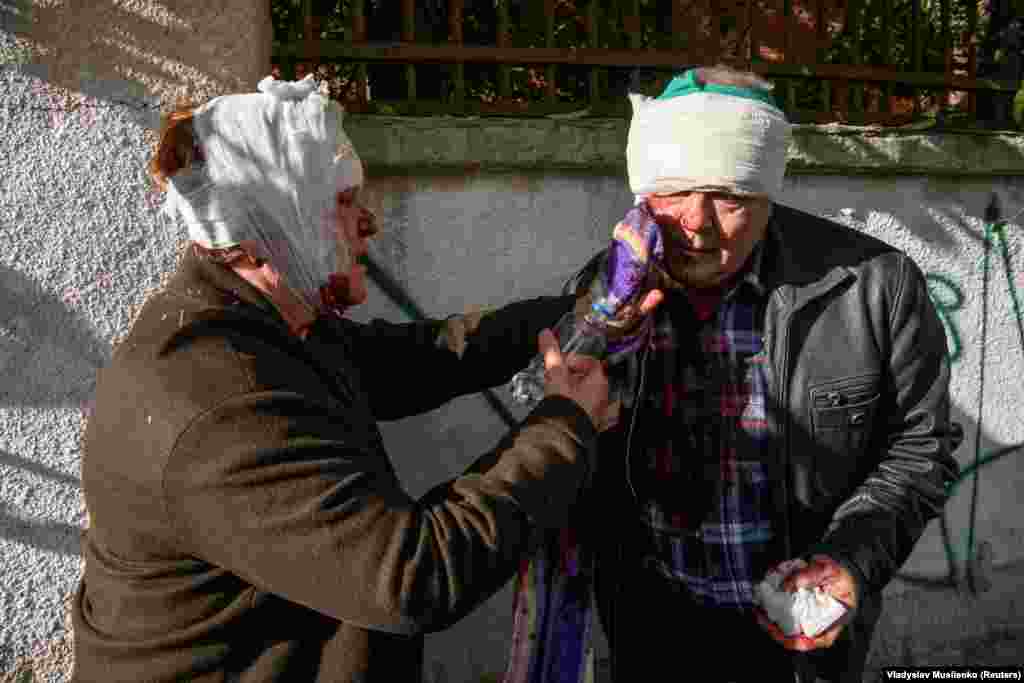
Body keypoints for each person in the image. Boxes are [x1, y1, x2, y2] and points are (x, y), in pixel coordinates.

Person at [70, 75, 660, 682]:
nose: (368, 222)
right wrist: (563, 428)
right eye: (343, 202)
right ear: (269, 225)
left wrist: (575, 315)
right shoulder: (217, 403)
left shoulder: (263, 321)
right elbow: (411, 576)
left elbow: (417, 359)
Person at [505, 65, 962, 683]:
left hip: (800, 642)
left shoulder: (874, 287)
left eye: (728, 196)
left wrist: (849, 561)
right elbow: (542, 422)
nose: (695, 221)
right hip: (651, 630)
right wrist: (596, 330)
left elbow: (918, 446)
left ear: (767, 194)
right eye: (672, 192)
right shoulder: (607, 289)